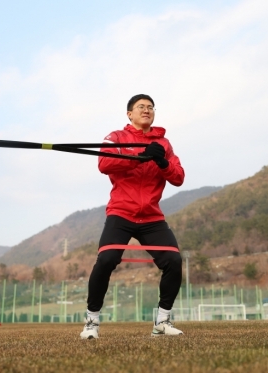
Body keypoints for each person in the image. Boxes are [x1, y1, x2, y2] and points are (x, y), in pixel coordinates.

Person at [80, 94, 185, 339]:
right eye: (141, 107)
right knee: (106, 260)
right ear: (130, 113)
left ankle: (162, 322)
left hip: (151, 216)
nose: (146, 110)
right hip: (121, 212)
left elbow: (178, 177)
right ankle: (91, 323)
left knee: (174, 261)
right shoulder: (116, 137)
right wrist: (138, 159)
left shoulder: (164, 144)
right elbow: (104, 164)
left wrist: (161, 161)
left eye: (150, 107)